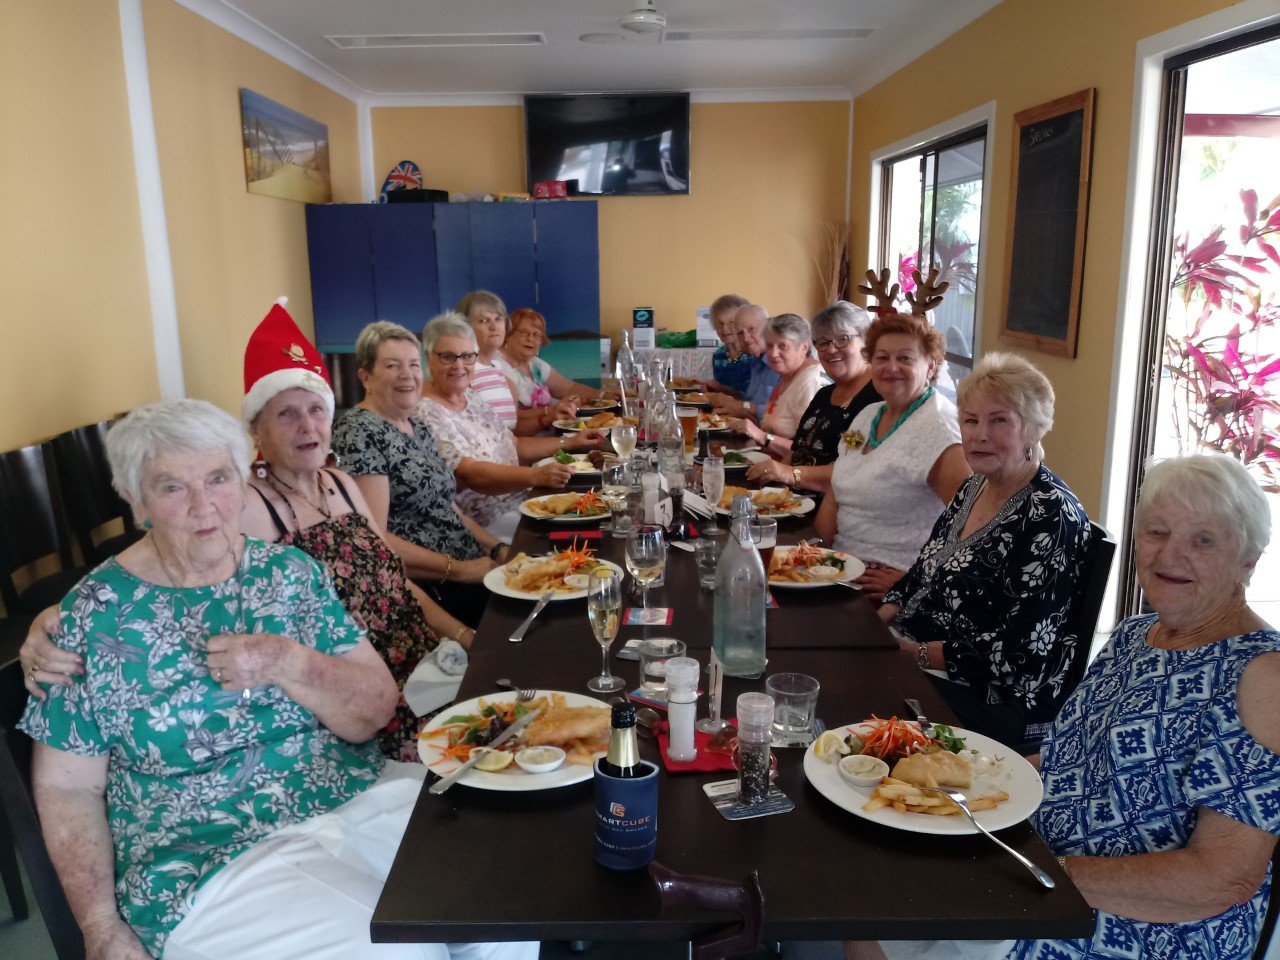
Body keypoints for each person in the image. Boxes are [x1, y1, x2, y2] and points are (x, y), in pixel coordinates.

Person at [18, 399, 535, 960]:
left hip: (348, 794)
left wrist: (290, 662)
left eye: (218, 478)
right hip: (206, 859)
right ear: (134, 497)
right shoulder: (90, 617)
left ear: (243, 480)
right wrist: (99, 926)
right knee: (393, 950)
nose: (203, 506)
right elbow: (66, 786)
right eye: (171, 488)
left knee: (505, 894)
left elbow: (372, 713)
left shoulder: (287, 573)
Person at [851, 454, 1280, 960]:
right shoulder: (1135, 636)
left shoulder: (1262, 677)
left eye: (1203, 540)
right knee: (870, 883)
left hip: (1134, 924)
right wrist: (953, 786)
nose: (1170, 554)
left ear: (1249, 559)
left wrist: (1037, 877)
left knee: (874, 914)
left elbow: (1220, 880)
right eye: (1157, 531)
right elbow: (1062, 757)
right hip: (1035, 859)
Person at [21, 304, 472, 763]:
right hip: (350, 693)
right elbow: (165, 555)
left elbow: (393, 582)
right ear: (255, 429)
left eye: (316, 409)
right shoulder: (241, 502)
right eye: (286, 415)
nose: (306, 425)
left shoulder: (342, 485)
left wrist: (462, 633)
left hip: (421, 661)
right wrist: (55, 620)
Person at [878, 352, 1093, 749]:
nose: (979, 435)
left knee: (851, 705)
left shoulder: (1050, 516)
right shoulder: (974, 486)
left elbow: (1020, 653)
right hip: (918, 657)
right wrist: (877, 622)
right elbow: (922, 574)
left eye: (999, 421)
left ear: (1034, 430)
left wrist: (910, 655)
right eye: (971, 420)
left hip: (986, 694)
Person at [331, 321, 507, 627]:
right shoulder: (358, 432)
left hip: (470, 569)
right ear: (365, 377)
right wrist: (461, 569)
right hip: (434, 589)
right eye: (392, 365)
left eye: (413, 364)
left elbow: (446, 508)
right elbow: (375, 539)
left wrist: (499, 548)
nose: (407, 374)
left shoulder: (417, 427)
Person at [813, 312, 970, 600]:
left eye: (906, 358)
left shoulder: (940, 430)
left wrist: (915, 584)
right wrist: (814, 553)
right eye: (882, 358)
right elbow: (837, 491)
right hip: (838, 568)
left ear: (931, 365)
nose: (891, 367)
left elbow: (970, 523)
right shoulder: (870, 414)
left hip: (886, 589)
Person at [417, 312, 606, 539]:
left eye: (467, 356)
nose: (460, 365)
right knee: (578, 536)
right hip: (486, 520)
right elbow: (470, 474)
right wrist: (534, 475)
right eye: (448, 356)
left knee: (601, 515)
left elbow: (514, 445)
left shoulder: (471, 397)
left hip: (523, 500)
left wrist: (570, 442)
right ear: (429, 358)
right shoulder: (425, 411)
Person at [746, 301, 880, 493]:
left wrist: (789, 474)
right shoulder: (824, 396)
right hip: (793, 502)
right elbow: (795, 454)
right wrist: (771, 490)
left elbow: (860, 470)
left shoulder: (878, 396)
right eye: (823, 342)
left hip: (834, 507)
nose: (831, 349)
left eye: (843, 339)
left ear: (866, 342)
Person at [729, 312, 828, 454]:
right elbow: (772, 429)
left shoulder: (811, 381)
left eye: (783, 346)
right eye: (769, 345)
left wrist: (762, 436)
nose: (773, 353)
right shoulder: (786, 375)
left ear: (804, 347)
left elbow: (813, 450)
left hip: (789, 472)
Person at [496, 306, 604, 430]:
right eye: (524, 333)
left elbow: (568, 388)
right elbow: (511, 416)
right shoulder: (498, 367)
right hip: (522, 441)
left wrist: (603, 395)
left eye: (537, 335)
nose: (530, 338)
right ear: (508, 334)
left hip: (549, 434)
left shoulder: (535, 365)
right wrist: (551, 410)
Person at [702, 293, 752, 396]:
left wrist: (722, 389)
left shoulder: (753, 354)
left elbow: (754, 400)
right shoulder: (719, 355)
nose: (724, 328)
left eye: (731, 322)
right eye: (720, 323)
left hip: (746, 410)